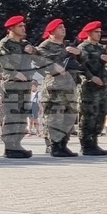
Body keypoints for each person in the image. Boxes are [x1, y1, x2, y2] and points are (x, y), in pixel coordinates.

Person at [35, 19, 82, 157]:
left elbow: (80, 64)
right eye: (59, 27)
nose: (63, 29)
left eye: (63, 27)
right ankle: (53, 145)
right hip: (54, 87)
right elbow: (42, 62)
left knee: (68, 117)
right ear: (52, 31)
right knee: (54, 117)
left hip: (70, 86)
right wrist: (54, 66)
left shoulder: (67, 46)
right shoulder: (44, 47)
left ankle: (63, 144)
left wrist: (79, 54)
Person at [0, 15, 36, 158]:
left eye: (24, 26)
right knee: (11, 115)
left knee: (22, 115)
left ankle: (17, 144)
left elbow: (38, 57)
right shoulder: (4, 43)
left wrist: (33, 51)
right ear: (11, 28)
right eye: (20, 26)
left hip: (25, 84)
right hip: (11, 85)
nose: (24, 28)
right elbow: (1, 60)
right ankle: (9, 146)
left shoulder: (25, 44)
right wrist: (15, 73)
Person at [75, 22, 107, 156]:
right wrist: (90, 77)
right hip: (89, 87)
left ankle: (94, 142)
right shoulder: (82, 47)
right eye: (96, 32)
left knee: (100, 114)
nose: (99, 34)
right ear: (89, 33)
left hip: (101, 86)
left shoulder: (102, 48)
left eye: (100, 32)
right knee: (88, 115)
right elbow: (80, 67)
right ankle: (86, 144)